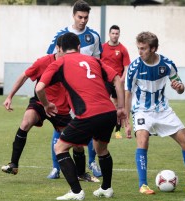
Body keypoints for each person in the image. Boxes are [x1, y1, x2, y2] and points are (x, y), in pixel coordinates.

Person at [36, 32, 126, 200]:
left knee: (60, 148)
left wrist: (47, 105)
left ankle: (76, 192)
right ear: (79, 47)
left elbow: (39, 88)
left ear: (59, 48)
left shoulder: (59, 62)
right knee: (101, 149)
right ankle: (106, 188)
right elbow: (118, 79)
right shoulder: (95, 60)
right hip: (108, 112)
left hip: (88, 114)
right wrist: (121, 108)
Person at [124, 31, 185, 195]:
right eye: (138, 48)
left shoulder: (167, 64)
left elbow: (179, 85)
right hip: (142, 110)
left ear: (153, 48)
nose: (140, 52)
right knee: (143, 140)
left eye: (143, 48)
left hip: (163, 110)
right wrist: (127, 120)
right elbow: (128, 92)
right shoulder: (134, 67)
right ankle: (143, 185)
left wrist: (180, 87)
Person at [46, 0, 102, 179]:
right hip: (65, 89)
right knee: (59, 126)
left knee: (92, 126)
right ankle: (56, 167)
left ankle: (92, 162)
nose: (83, 20)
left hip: (87, 91)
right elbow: (51, 58)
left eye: (86, 17)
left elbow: (98, 64)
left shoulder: (93, 36)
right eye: (80, 17)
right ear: (74, 15)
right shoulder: (61, 35)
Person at [1, 36, 71, 177]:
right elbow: (24, 76)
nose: (68, 54)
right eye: (65, 51)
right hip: (40, 102)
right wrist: (10, 96)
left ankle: (81, 173)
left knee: (75, 141)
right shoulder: (44, 62)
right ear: (58, 48)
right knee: (26, 122)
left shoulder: (72, 64)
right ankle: (13, 165)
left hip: (60, 108)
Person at [101, 25, 131, 139]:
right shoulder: (102, 47)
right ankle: (102, 127)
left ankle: (118, 131)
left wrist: (122, 79)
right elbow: (97, 63)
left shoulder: (122, 49)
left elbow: (126, 66)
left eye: (116, 33)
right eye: (112, 33)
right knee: (103, 103)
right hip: (105, 80)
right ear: (109, 34)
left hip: (117, 81)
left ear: (119, 34)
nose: (114, 35)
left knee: (119, 107)